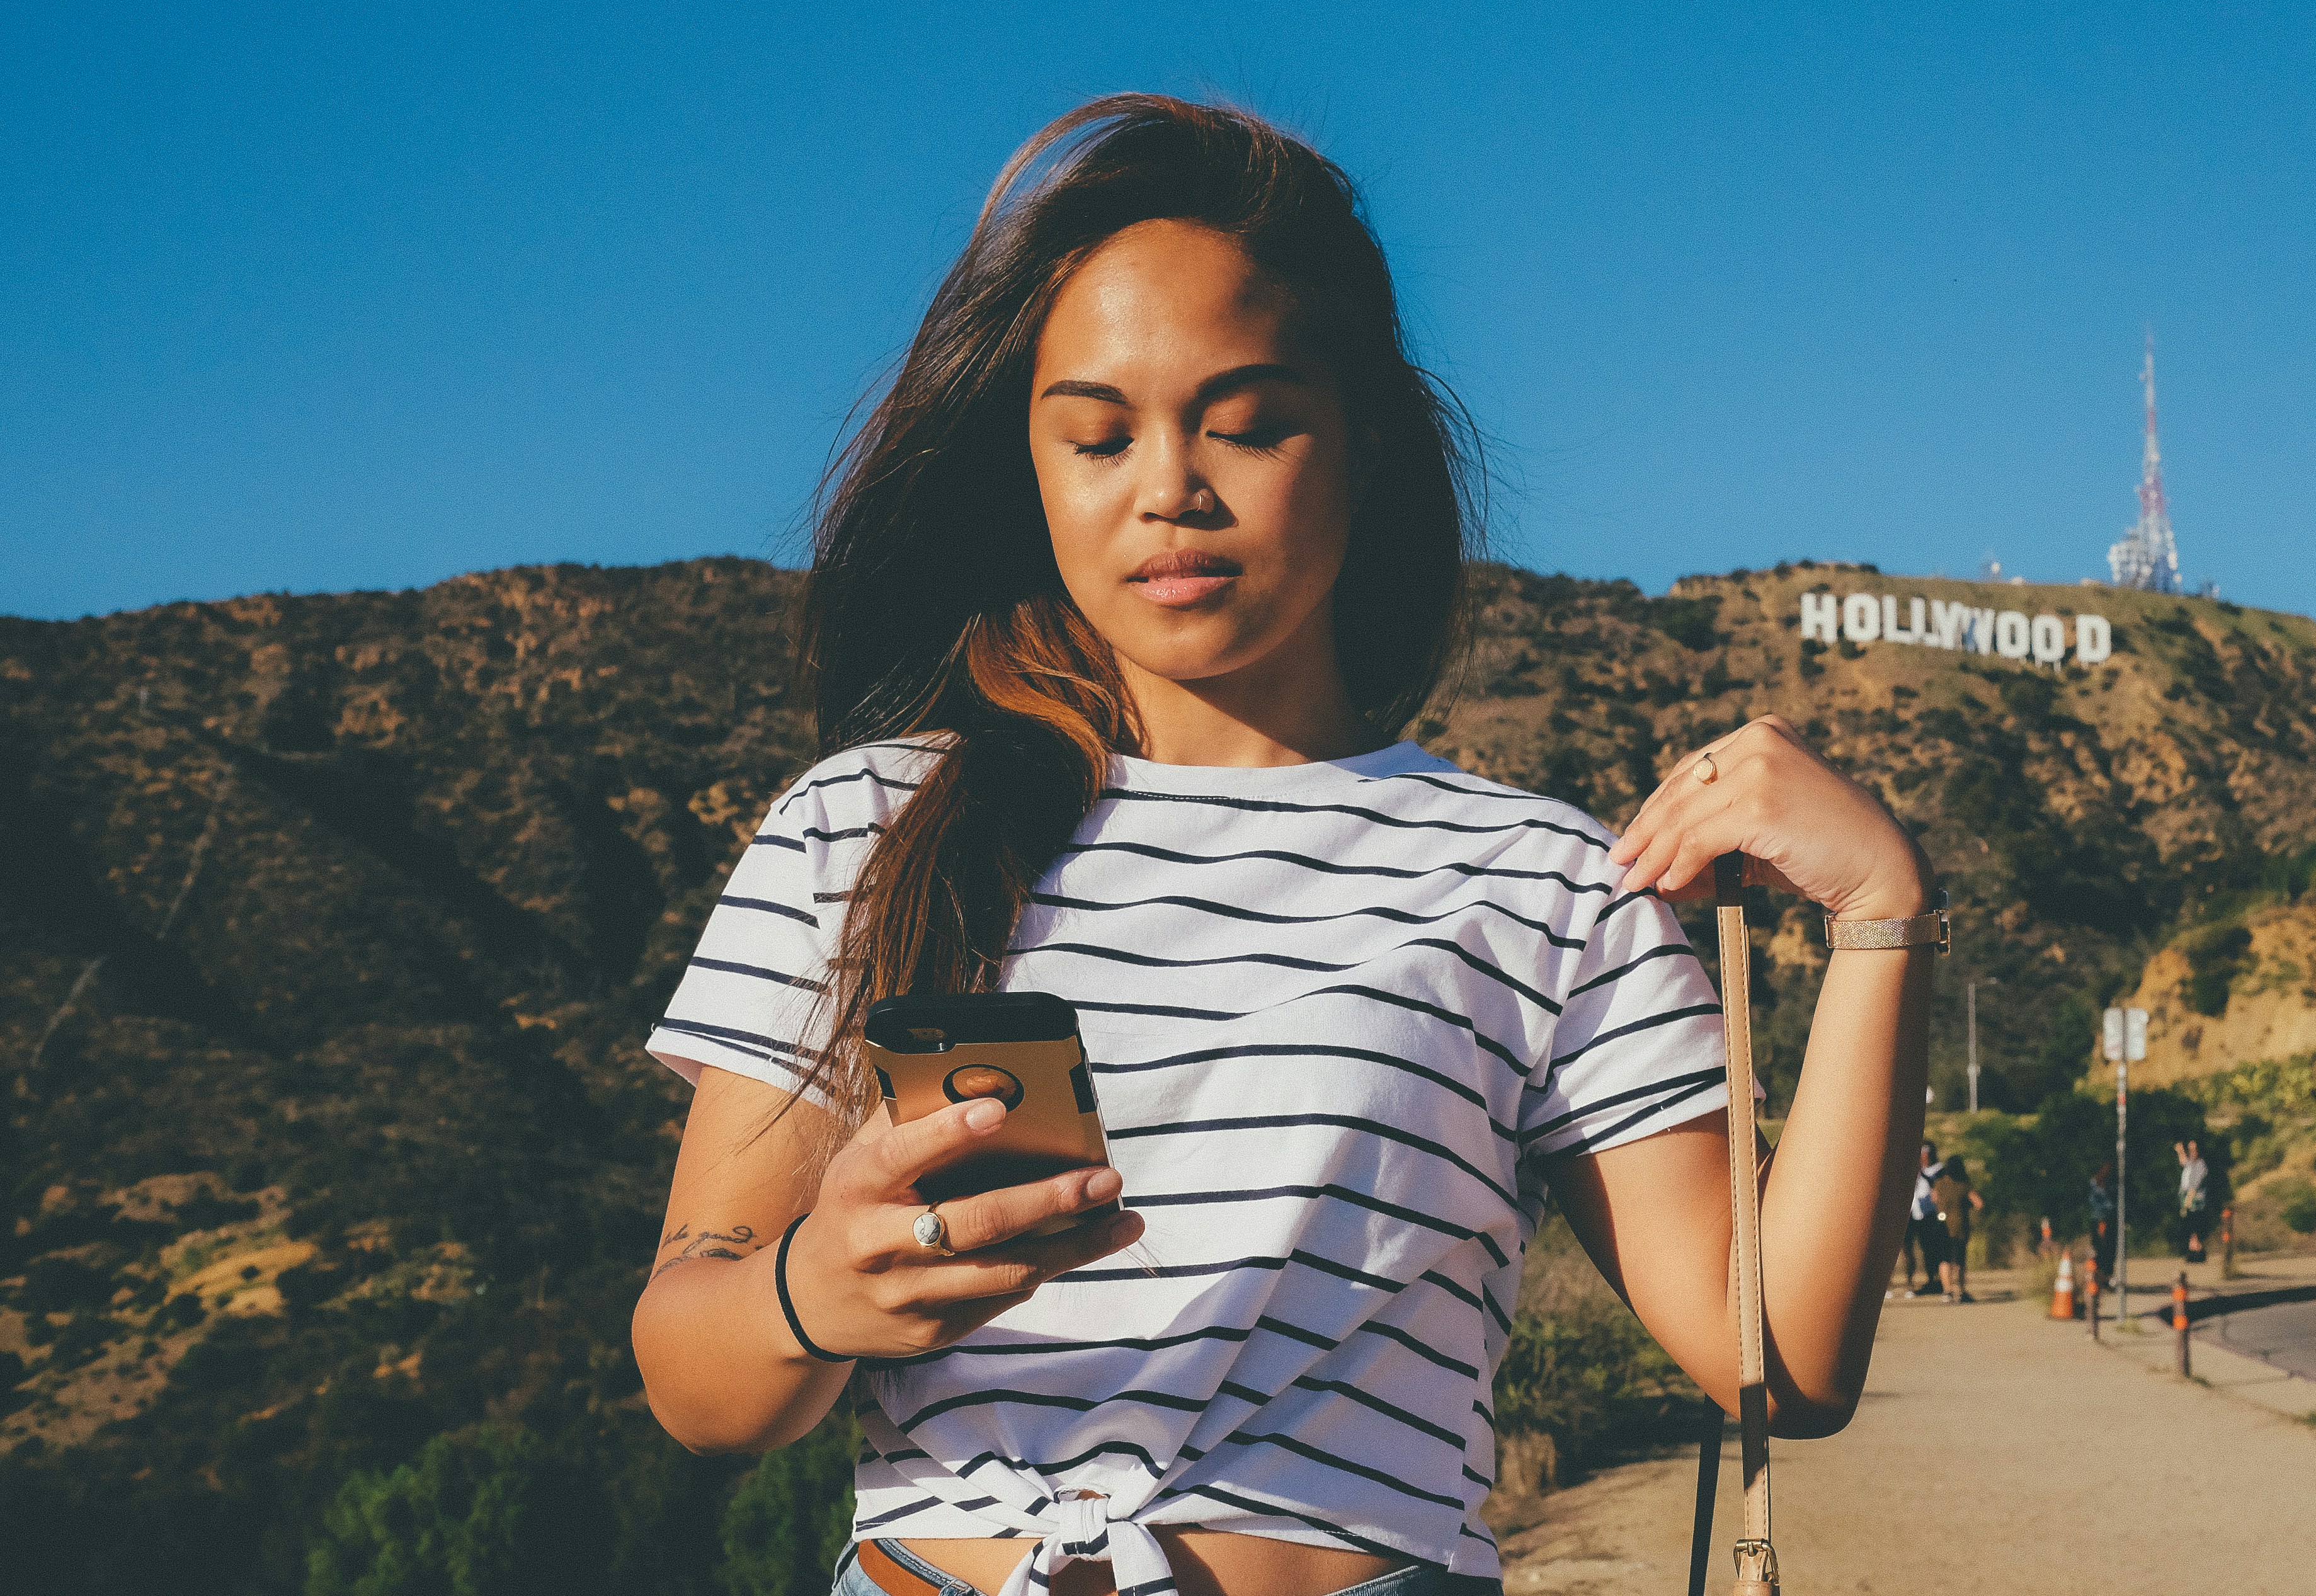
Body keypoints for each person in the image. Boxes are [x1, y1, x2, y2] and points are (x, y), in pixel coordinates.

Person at [628, 96, 1941, 1596]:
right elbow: (693, 1376)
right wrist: (813, 1290)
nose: (1168, 486)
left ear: (1365, 439)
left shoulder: (1539, 882)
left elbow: (1776, 1357)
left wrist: (1882, 911)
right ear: (1031, 469)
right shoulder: (868, 828)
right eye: (1097, 434)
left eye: (1244, 420)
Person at [1929, 1154, 1982, 1302]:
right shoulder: (1964, 1185)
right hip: (1960, 1226)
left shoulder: (1939, 1183)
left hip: (1942, 1224)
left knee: (1944, 1259)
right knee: (1959, 1260)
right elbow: (1979, 1203)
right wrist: (1965, 1205)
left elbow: (1933, 1199)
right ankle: (1962, 1292)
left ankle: (1947, 1291)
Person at [1900, 1141, 1939, 1296]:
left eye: (1926, 1154)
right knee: (1907, 1251)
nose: (1924, 1158)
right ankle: (1909, 1283)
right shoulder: (1908, 1171)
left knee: (1929, 1249)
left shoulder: (1936, 1171)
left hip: (1927, 1215)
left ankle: (1933, 1280)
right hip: (1910, 1215)